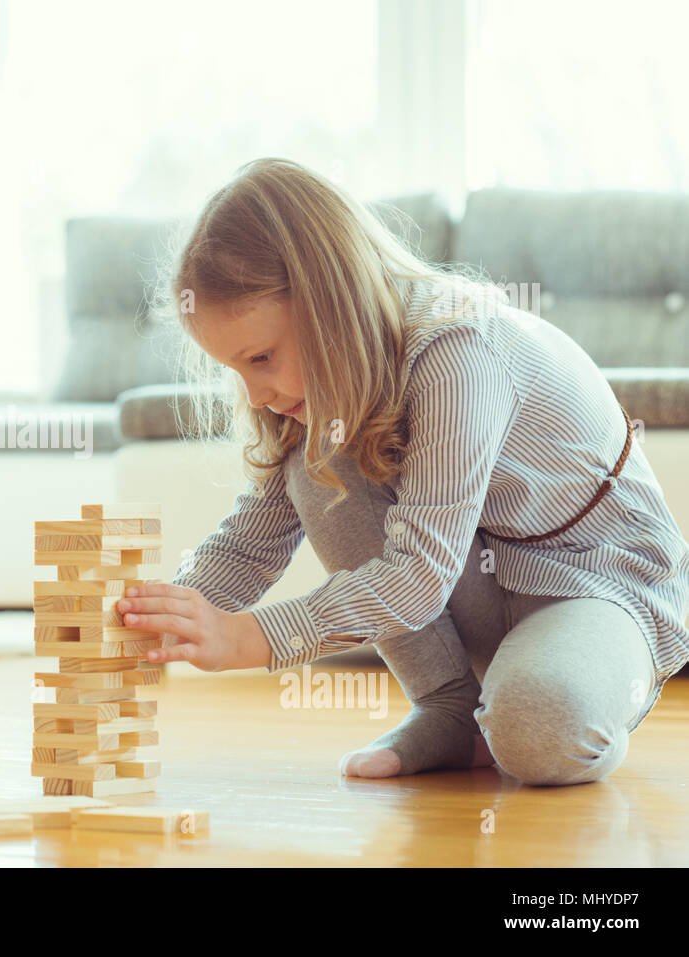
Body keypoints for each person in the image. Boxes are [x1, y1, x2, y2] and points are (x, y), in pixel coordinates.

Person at [117, 157, 689, 785]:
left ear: (330, 303)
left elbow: (417, 575)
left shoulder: (458, 349)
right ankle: (451, 711)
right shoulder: (315, 400)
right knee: (316, 467)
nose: (255, 394)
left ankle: (585, 689)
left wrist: (250, 639)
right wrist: (159, 621)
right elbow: (252, 540)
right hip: (483, 585)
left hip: (600, 583)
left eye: (262, 357)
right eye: (238, 370)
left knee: (538, 727)